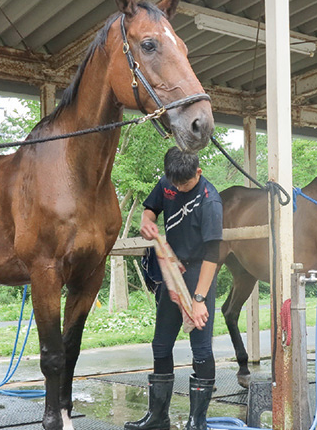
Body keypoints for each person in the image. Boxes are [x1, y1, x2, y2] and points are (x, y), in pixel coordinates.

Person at [125, 146, 223, 430]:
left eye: (186, 184)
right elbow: (150, 210)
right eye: (175, 184)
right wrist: (146, 222)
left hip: (197, 272)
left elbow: (213, 255)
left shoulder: (210, 201)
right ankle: (158, 417)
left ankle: (197, 422)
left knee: (201, 349)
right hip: (171, 268)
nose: (179, 188)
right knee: (160, 344)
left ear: (199, 172)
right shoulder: (168, 182)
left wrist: (199, 299)